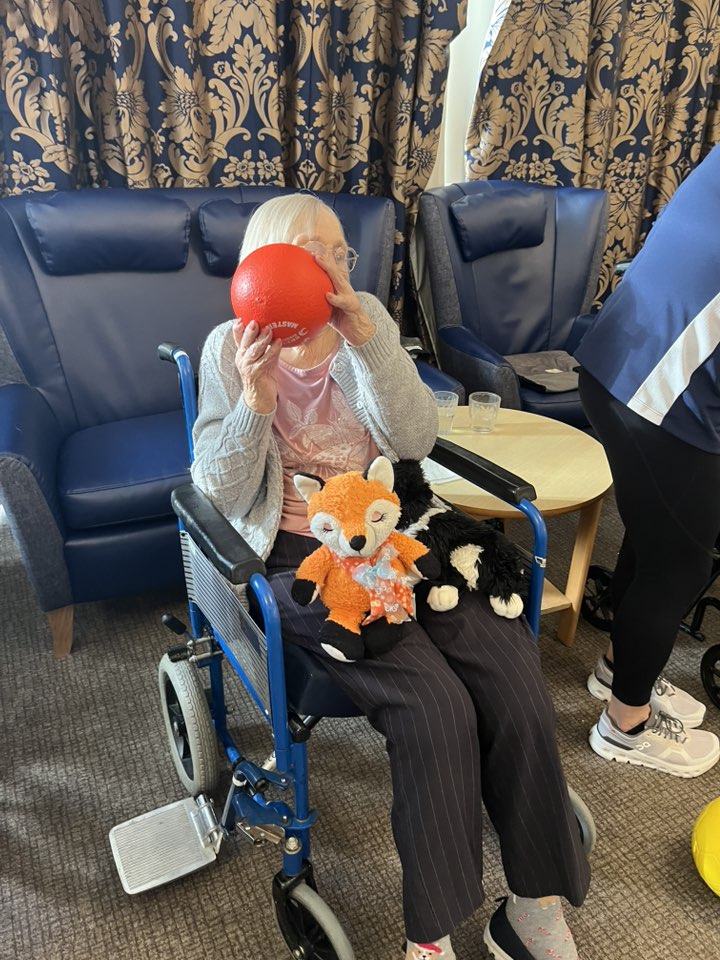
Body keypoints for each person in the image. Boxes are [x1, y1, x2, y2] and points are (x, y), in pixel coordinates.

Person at [191, 193, 590, 960]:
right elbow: (219, 491)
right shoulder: (227, 346)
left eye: (342, 253)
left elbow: (414, 438)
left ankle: (532, 904)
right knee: (435, 707)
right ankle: (432, 936)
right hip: (306, 559)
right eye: (316, 254)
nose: (337, 267)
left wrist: (370, 345)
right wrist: (254, 399)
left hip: (403, 530)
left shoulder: (363, 316)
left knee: (511, 674)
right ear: (271, 264)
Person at [575, 144, 720, 778]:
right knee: (681, 563)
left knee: (654, 531)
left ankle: (618, 666)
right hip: (665, 397)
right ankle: (625, 724)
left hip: (617, 365)